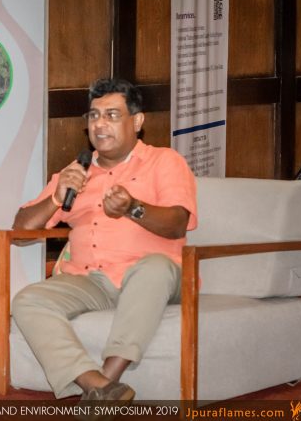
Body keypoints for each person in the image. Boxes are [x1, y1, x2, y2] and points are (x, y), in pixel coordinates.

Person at [11, 78, 197, 402]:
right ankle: (97, 386)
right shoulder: (74, 173)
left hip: (156, 277)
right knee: (28, 299)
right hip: (92, 281)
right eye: (94, 115)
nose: (99, 124)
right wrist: (55, 198)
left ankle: (107, 382)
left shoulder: (164, 161)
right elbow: (20, 232)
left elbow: (178, 224)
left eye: (112, 115)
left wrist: (133, 208)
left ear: (137, 122)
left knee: (152, 268)